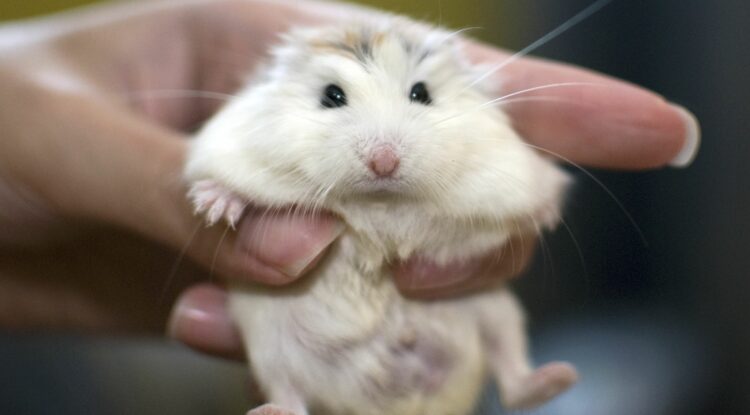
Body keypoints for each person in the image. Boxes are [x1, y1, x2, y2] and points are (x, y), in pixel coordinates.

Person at [0, 0, 698, 361]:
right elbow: (216, 157)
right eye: (335, 99)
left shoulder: (479, 134)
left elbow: (519, 191)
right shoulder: (249, 121)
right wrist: (211, 190)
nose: (383, 155)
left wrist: (526, 203)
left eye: (419, 97)